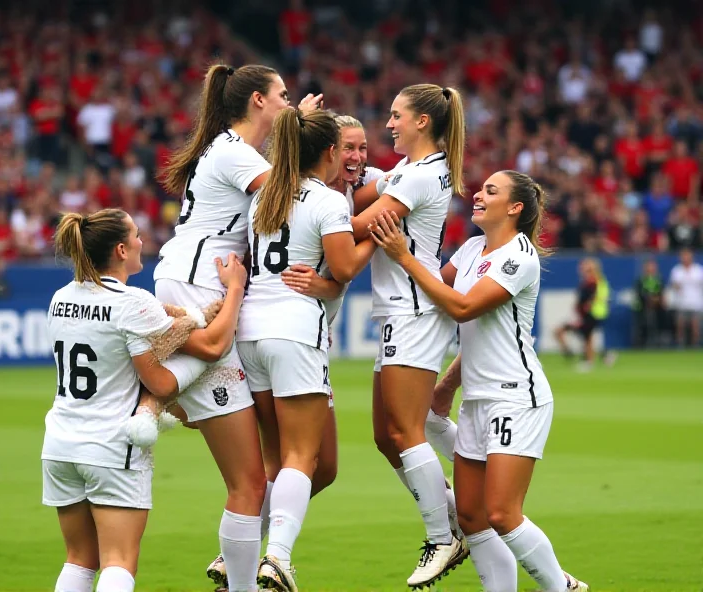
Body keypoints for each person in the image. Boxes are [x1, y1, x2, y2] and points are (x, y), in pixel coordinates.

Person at [140, 63, 322, 592]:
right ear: (259, 102)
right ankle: (155, 393)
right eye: (283, 96)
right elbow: (290, 194)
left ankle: (165, 396)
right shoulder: (234, 153)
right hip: (204, 286)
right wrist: (305, 136)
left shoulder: (228, 148)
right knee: (247, 482)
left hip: (189, 280)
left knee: (244, 460)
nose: (289, 103)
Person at [370, 170, 589, 592]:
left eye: (491, 191)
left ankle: (559, 588)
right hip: (477, 401)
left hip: (516, 399)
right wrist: (448, 384)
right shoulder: (471, 248)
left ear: (515, 207)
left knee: (503, 514)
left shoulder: (518, 256)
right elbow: (434, 296)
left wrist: (404, 255)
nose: (478, 195)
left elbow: (464, 307)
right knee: (471, 517)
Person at [43, 209, 246, 592]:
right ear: (121, 250)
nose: (141, 241)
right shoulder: (131, 301)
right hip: (111, 445)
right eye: (136, 235)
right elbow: (169, 379)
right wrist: (234, 290)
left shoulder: (60, 297)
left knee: (79, 560)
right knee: (119, 561)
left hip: (60, 442)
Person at [236, 107, 376, 591]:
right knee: (302, 456)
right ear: (331, 152)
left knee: (279, 460)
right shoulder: (326, 201)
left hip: (250, 332)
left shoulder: (265, 199)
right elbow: (346, 265)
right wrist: (380, 238)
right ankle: (275, 557)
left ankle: (238, 550)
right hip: (294, 331)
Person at [346, 84, 468, 588]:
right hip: (401, 312)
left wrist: (300, 213)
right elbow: (362, 190)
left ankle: (443, 535)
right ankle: (462, 516)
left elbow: (358, 226)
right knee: (385, 436)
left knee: (405, 432)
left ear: (422, 122)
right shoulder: (413, 172)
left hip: (415, 312)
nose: (388, 124)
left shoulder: (418, 177)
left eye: (397, 116)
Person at [554, 257, 615, 371]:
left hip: (593, 314)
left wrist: (589, 305)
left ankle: (589, 361)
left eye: (585, 267)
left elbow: (598, 297)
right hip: (587, 314)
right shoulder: (588, 282)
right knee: (586, 337)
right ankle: (603, 356)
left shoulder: (595, 282)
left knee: (587, 336)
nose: (582, 269)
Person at [669, 248, 703, 347]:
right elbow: (674, 285)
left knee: (695, 326)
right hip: (681, 303)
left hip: (696, 303)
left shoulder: (699, 270)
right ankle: (680, 344)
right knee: (680, 325)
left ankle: (695, 345)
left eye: (687, 255)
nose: (685, 258)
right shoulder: (677, 270)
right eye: (683, 256)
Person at [632, 259, 666, 347]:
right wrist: (650, 299)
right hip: (642, 309)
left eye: (652, 267)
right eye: (649, 267)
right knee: (642, 327)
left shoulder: (658, 279)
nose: (651, 269)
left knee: (656, 326)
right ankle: (641, 345)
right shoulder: (640, 280)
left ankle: (656, 344)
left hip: (657, 309)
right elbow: (639, 293)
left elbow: (661, 293)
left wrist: (657, 300)